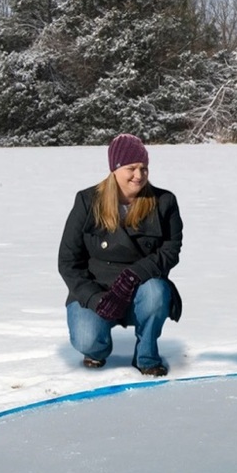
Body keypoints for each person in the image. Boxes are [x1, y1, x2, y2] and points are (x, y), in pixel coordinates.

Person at [58, 133, 182, 377]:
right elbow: (68, 261)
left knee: (157, 291)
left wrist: (134, 275)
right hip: (97, 288)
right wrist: (94, 299)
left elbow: (171, 250)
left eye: (144, 168)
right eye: (131, 168)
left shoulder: (164, 201)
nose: (139, 175)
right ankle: (97, 348)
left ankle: (146, 356)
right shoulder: (87, 201)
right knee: (86, 340)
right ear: (114, 169)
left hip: (141, 286)